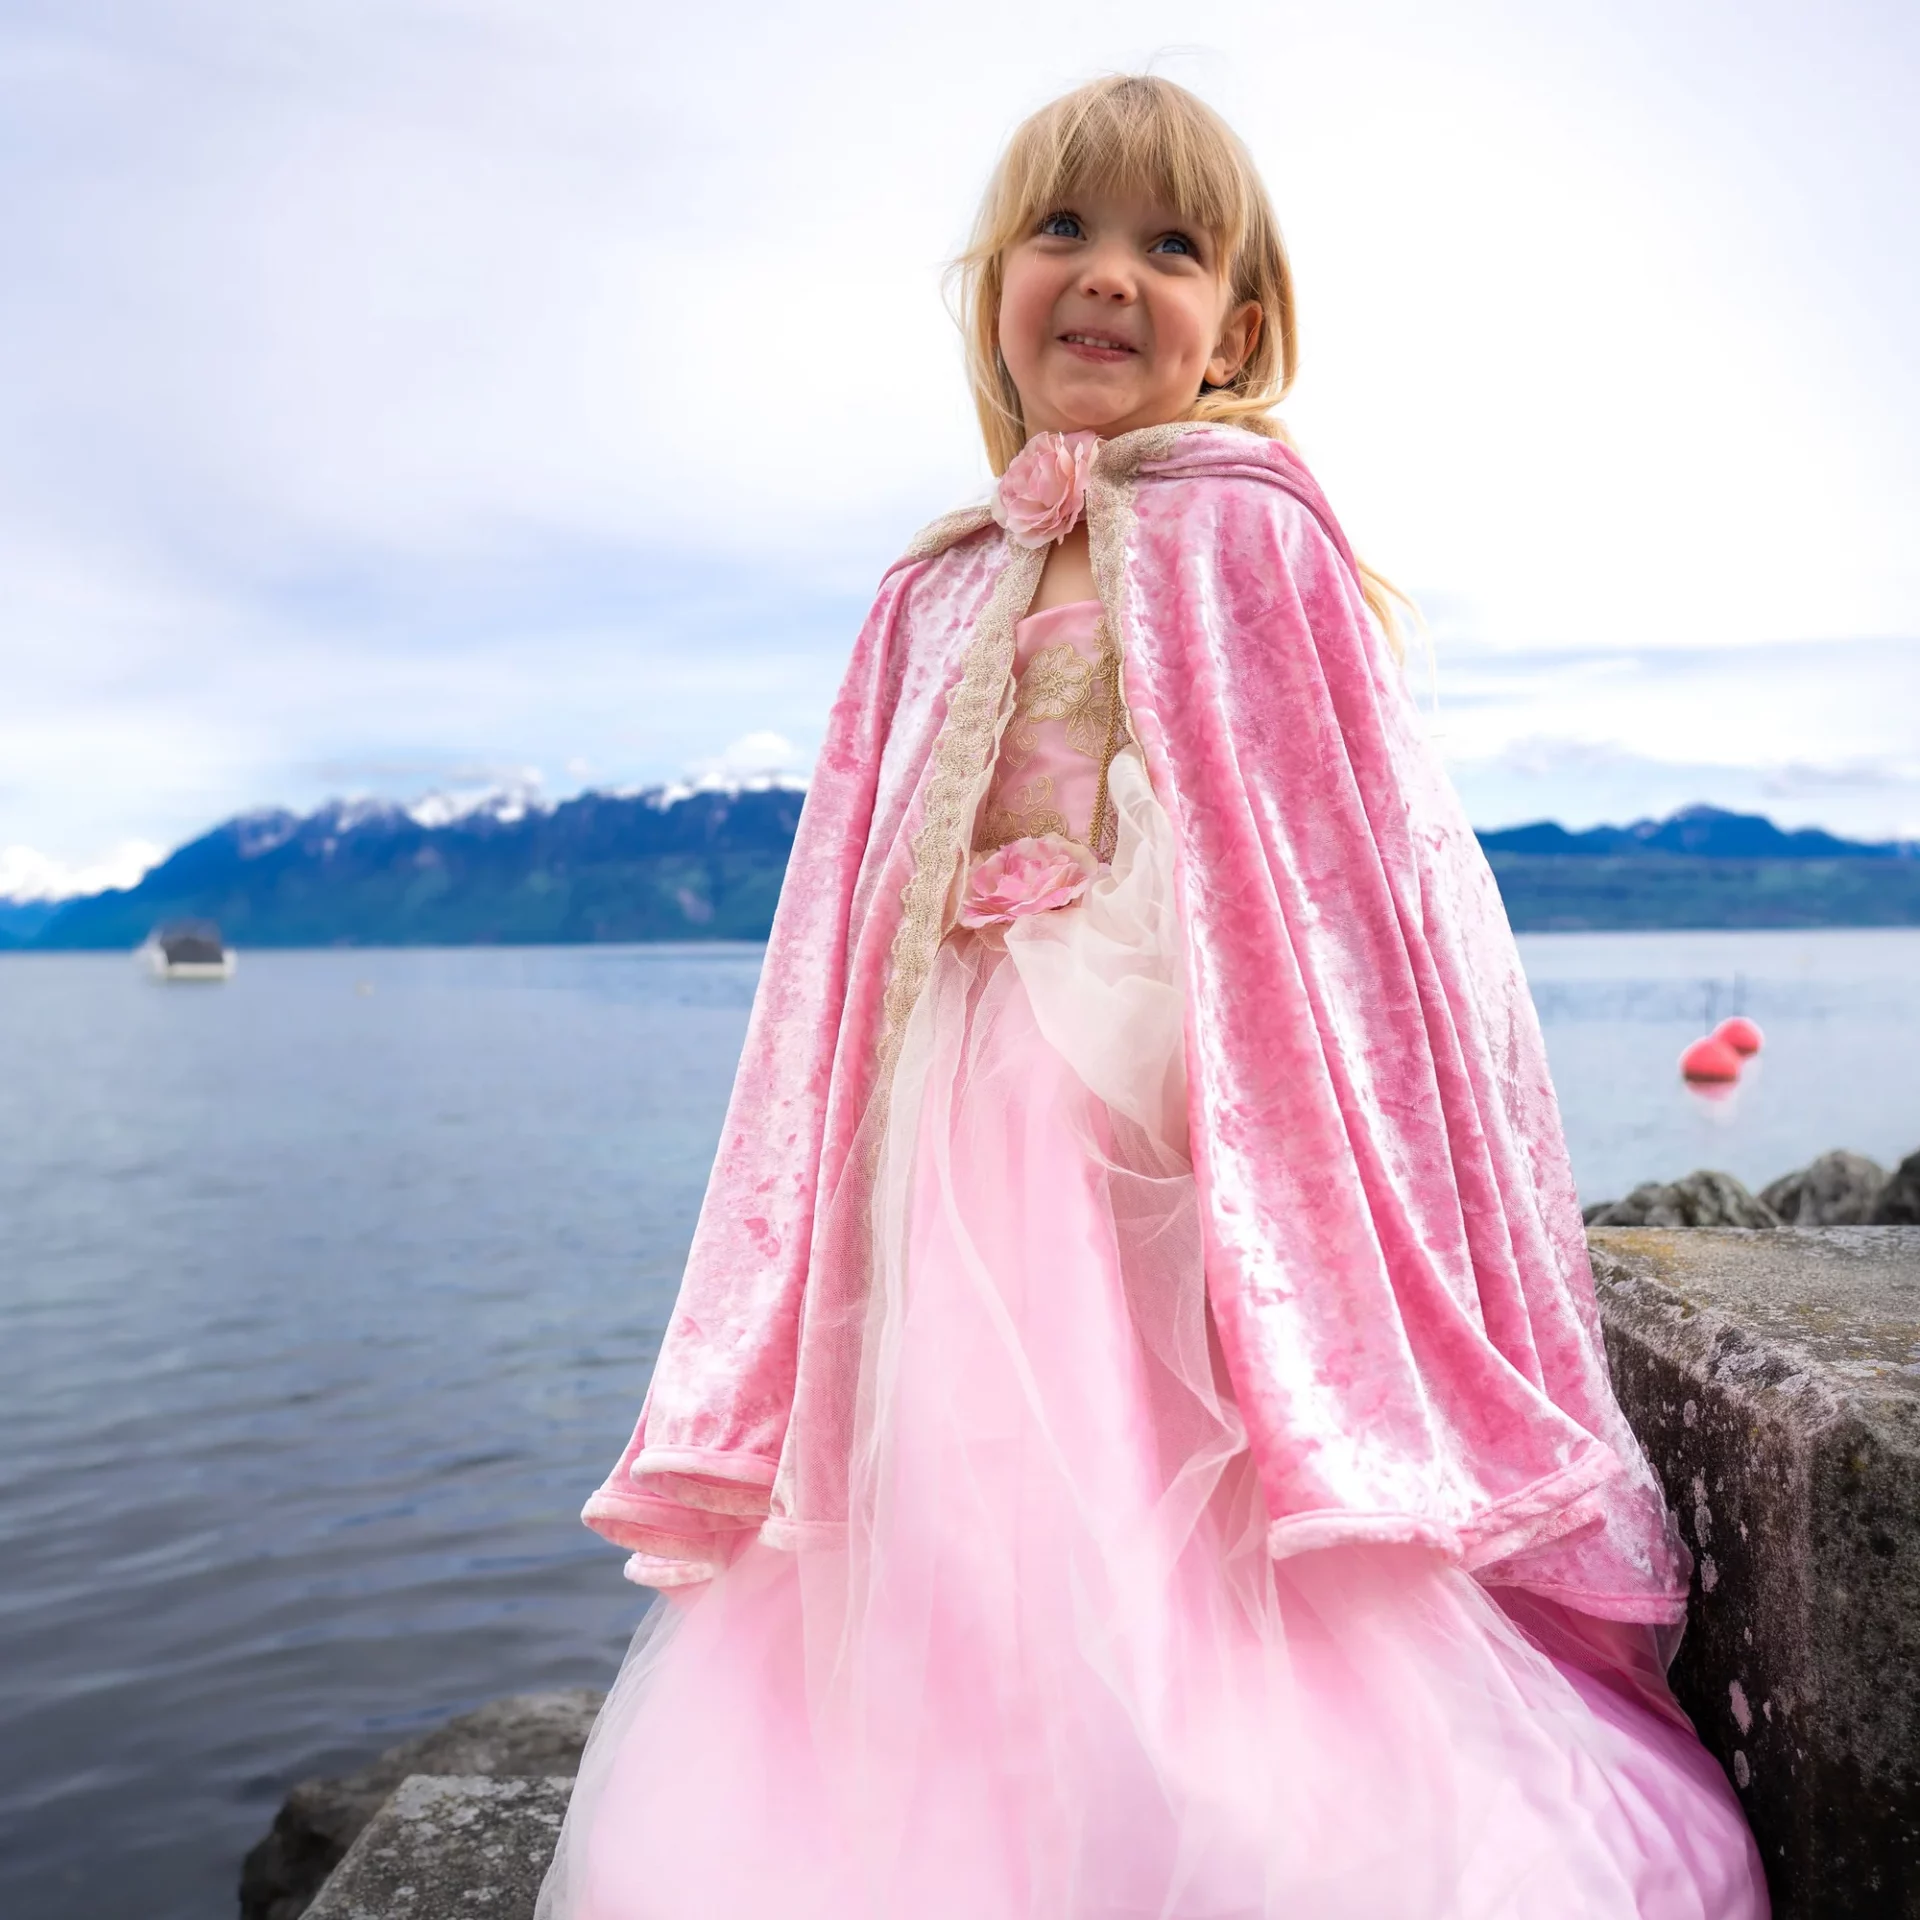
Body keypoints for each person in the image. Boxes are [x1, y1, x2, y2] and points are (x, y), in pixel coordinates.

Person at [539, 74, 1769, 1920]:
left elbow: (1343, 882)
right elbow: (842, 911)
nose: (1108, 273)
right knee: (964, 1491)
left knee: (1165, 1480)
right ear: (995, 293)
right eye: (1064, 229)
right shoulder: (928, 588)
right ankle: (969, 1826)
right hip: (941, 1115)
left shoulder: (1258, 537)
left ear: (1238, 331)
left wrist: (1241, 1065)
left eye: (1169, 245)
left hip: (1185, 1108)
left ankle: (1214, 1829)